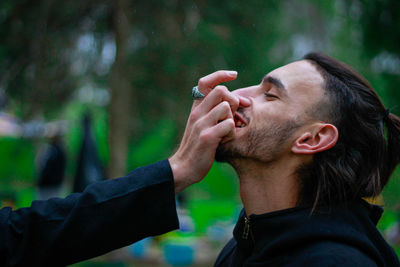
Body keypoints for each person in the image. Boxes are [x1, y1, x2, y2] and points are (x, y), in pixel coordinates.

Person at [182, 52, 399, 266]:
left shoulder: (339, 262)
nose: (236, 96)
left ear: (312, 139)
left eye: (270, 94)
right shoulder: (239, 249)